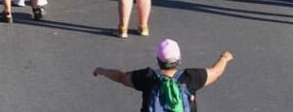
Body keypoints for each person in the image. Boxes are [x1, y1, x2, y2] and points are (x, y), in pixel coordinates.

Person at [93, 39, 233, 110]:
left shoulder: (147, 77)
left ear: (158, 60)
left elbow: (121, 77)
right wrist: (224, 58)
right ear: (179, 59)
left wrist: (102, 70)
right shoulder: (191, 77)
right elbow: (216, 72)